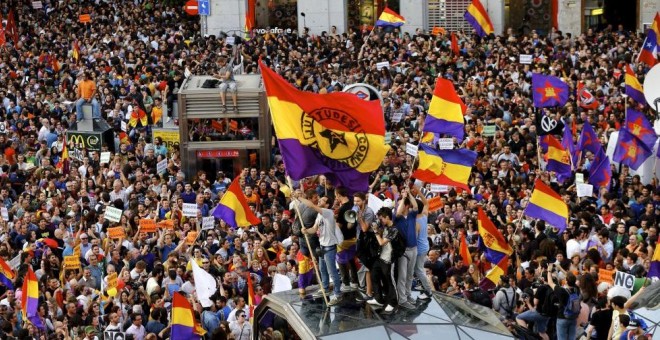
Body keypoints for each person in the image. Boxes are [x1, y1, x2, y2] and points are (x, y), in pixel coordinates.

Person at [297, 194, 342, 305]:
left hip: (329, 247)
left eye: (322, 200)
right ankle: (325, 288)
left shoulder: (328, 212)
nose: (320, 201)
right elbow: (314, 229)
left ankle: (338, 294)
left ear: (327, 204)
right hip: (322, 246)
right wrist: (306, 231)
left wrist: (299, 197)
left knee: (332, 272)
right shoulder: (319, 215)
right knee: (323, 270)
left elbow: (311, 205)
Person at [367, 207, 402, 314]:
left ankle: (393, 303)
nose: (380, 221)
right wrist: (378, 229)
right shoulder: (385, 227)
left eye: (381, 218)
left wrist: (376, 232)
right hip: (381, 257)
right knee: (374, 275)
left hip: (389, 260)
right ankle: (378, 298)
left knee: (390, 282)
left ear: (387, 217)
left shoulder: (394, 230)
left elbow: (382, 242)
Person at [395, 188, 418, 310]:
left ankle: (408, 295)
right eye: (399, 204)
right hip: (403, 250)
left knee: (410, 275)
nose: (400, 206)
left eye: (403, 204)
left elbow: (415, 206)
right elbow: (398, 213)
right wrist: (403, 198)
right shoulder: (396, 217)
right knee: (402, 276)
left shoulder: (411, 215)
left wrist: (409, 194)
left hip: (413, 248)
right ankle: (402, 299)